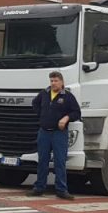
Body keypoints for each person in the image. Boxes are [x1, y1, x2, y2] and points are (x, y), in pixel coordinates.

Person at [32, 71, 81, 200]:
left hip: (59, 133)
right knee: (42, 161)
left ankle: (61, 190)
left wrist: (66, 118)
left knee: (60, 162)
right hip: (44, 133)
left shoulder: (68, 97)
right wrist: (42, 116)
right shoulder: (44, 94)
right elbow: (34, 104)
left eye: (56, 81)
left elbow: (76, 112)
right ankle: (39, 188)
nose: (53, 83)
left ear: (62, 82)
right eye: (51, 81)